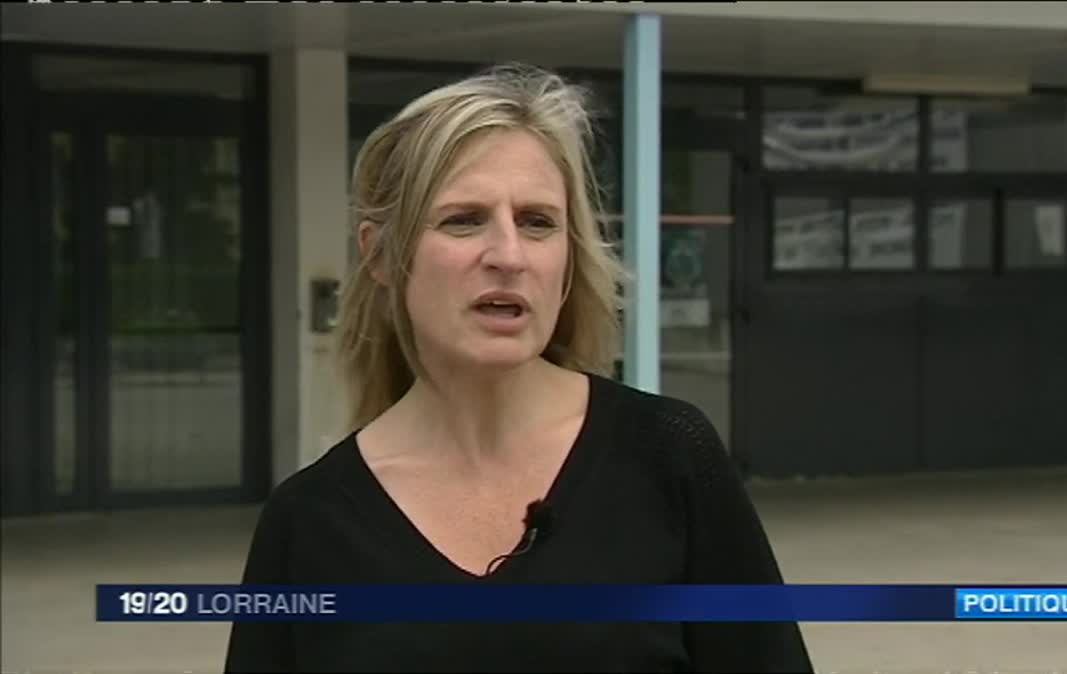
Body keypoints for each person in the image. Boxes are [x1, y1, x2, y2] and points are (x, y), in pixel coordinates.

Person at [224, 63, 814, 674]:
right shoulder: (309, 521)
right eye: (463, 219)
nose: (508, 255)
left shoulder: (669, 456)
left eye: (537, 222)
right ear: (379, 254)